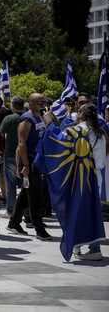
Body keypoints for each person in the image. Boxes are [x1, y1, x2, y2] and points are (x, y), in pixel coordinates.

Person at [6, 93, 52, 241]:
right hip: (29, 160)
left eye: (43, 101)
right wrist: (25, 165)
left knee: (27, 193)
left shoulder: (40, 116)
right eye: (39, 102)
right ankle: (39, 228)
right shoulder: (27, 119)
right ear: (31, 103)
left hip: (38, 160)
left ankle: (14, 222)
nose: (42, 103)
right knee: (34, 196)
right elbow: (21, 144)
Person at [71, 104, 106, 261]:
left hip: (80, 175)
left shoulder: (78, 130)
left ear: (82, 114)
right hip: (96, 175)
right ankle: (88, 246)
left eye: (78, 111)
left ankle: (84, 246)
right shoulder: (100, 133)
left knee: (78, 211)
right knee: (92, 211)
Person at [0, 96, 25, 218]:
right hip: (25, 154)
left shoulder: (9, 118)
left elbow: (0, 134)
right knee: (26, 184)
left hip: (10, 154)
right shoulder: (27, 117)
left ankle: (11, 210)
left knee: (11, 184)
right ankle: (25, 211)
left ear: (13, 106)